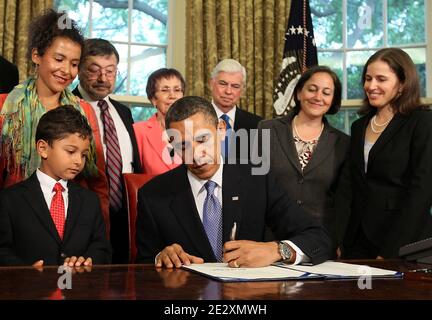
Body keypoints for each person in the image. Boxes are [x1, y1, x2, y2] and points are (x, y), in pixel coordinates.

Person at [135, 96, 331, 268]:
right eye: (182, 145)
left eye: (202, 139)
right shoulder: (152, 195)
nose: (195, 155)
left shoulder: (258, 181)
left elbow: (318, 239)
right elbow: (143, 262)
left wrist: (277, 251)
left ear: (221, 129)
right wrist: (160, 257)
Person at [0, 10, 110, 233]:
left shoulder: (84, 111)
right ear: (36, 56)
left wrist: (98, 237)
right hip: (15, 225)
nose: (66, 71)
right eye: (59, 59)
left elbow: (96, 181)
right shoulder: (5, 108)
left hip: (70, 226)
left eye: (74, 64)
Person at [343, 48, 432, 259]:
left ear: (402, 84)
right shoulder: (358, 126)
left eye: (381, 79)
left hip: (405, 242)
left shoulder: (422, 122)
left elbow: (421, 192)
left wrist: (392, 251)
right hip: (358, 242)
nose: (371, 86)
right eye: (368, 78)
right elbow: (350, 188)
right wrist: (341, 240)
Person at [0, 105, 111, 266]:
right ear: (43, 148)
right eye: (71, 151)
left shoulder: (90, 201)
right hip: (29, 289)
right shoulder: (9, 200)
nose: (78, 161)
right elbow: (3, 250)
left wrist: (89, 260)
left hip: (76, 287)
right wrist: (24, 271)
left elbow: (101, 247)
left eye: (84, 155)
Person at [258, 66, 350, 258]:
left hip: (319, 242)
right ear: (299, 92)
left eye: (326, 92)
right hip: (269, 239)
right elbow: (252, 184)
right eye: (312, 89)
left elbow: (343, 201)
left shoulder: (343, 142)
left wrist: (339, 241)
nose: (318, 97)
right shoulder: (266, 129)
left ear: (333, 99)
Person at [73, 38, 142, 263]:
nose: (103, 78)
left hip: (126, 218)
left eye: (110, 71)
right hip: (84, 217)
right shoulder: (67, 107)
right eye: (94, 70)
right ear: (79, 69)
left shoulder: (123, 112)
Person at [133, 68, 184, 175]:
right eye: (165, 90)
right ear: (153, 99)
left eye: (177, 90)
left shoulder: (195, 130)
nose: (172, 96)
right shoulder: (138, 132)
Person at [209, 59, 262, 160]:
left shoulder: (258, 125)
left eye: (235, 86)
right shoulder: (194, 120)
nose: (228, 91)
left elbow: (260, 169)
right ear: (212, 83)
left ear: (242, 90)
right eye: (223, 84)